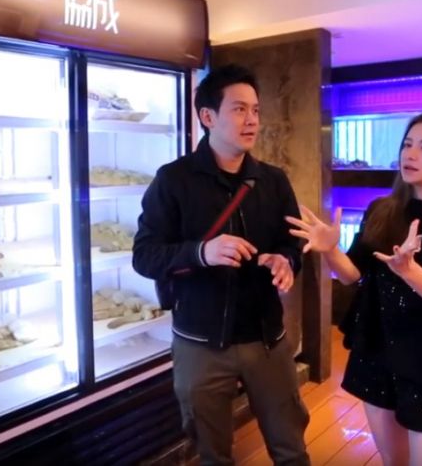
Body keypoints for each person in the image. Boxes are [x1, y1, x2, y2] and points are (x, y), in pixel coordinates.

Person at [286, 112, 422, 466]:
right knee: (392, 460)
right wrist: (331, 250)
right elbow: (353, 276)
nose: (410, 154)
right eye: (407, 144)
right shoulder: (382, 209)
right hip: (378, 346)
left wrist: (409, 271)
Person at [132, 64, 310, 466]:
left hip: (267, 339)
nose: (252, 120)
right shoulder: (174, 180)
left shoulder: (273, 180)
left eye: (256, 110)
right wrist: (202, 252)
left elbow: (292, 242)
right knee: (212, 453)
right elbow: (144, 255)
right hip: (199, 342)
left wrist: (286, 260)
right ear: (208, 116)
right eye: (239, 109)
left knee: (291, 448)